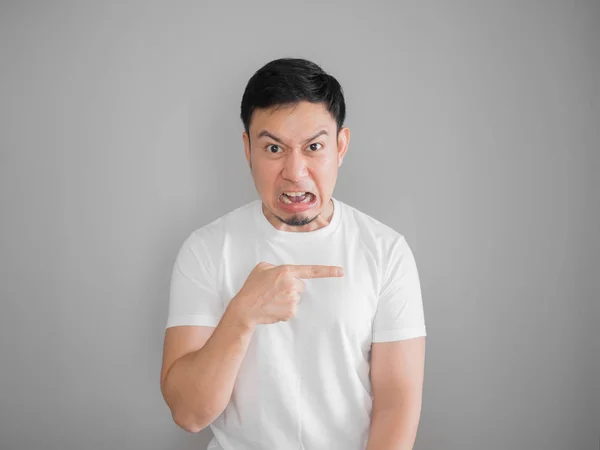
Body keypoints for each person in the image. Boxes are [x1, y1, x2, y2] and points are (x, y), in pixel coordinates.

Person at [160, 57, 427, 450]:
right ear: (247, 149)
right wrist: (241, 314)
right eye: (273, 148)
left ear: (340, 146)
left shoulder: (386, 251)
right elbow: (189, 413)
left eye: (314, 147)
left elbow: (396, 406)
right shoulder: (206, 250)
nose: (295, 171)